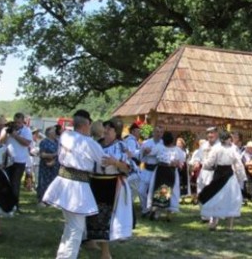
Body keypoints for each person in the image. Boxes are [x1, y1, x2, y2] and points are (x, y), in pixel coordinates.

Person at [42, 110, 110, 259]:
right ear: (86, 124)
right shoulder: (89, 143)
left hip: (64, 181)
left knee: (71, 225)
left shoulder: (66, 135)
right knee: (76, 228)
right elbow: (105, 161)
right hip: (76, 186)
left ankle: (63, 255)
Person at [85, 117, 133, 259]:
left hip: (111, 184)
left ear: (116, 132)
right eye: (105, 127)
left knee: (104, 219)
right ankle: (90, 241)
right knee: (92, 215)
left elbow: (128, 168)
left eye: (109, 129)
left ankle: (105, 253)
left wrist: (115, 162)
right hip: (95, 182)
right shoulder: (96, 144)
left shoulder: (121, 147)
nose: (105, 130)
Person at [198, 130, 246, 231]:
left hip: (221, 174)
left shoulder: (217, 148)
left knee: (218, 197)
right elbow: (238, 164)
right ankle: (228, 226)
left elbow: (210, 162)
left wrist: (205, 165)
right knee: (229, 199)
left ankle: (215, 224)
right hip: (226, 175)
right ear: (228, 139)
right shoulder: (232, 149)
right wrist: (241, 177)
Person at [146, 131, 185, 221]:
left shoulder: (165, 148)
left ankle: (158, 212)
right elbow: (182, 160)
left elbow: (150, 152)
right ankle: (165, 213)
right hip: (167, 171)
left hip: (164, 171)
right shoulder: (175, 150)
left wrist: (147, 150)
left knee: (163, 190)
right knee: (165, 190)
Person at [5, 112, 32, 212]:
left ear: (22, 122)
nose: (17, 124)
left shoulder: (26, 130)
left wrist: (15, 136)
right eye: (15, 122)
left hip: (19, 160)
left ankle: (15, 205)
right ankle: (7, 204)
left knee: (15, 183)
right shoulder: (9, 130)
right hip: (7, 160)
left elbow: (27, 143)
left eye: (19, 122)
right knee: (6, 182)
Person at [138, 125, 163, 216]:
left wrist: (154, 153)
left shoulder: (163, 144)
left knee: (156, 192)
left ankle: (155, 211)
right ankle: (145, 209)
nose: (158, 134)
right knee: (141, 191)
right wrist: (144, 151)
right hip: (147, 169)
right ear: (153, 132)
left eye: (160, 132)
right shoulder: (146, 143)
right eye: (157, 131)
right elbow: (141, 156)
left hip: (158, 170)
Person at [36, 127, 60, 204]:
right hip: (46, 166)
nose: (55, 132)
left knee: (54, 183)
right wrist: (54, 155)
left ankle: (52, 200)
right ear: (49, 133)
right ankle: (42, 200)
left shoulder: (57, 142)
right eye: (53, 131)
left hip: (56, 166)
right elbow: (42, 154)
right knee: (44, 182)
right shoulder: (44, 142)